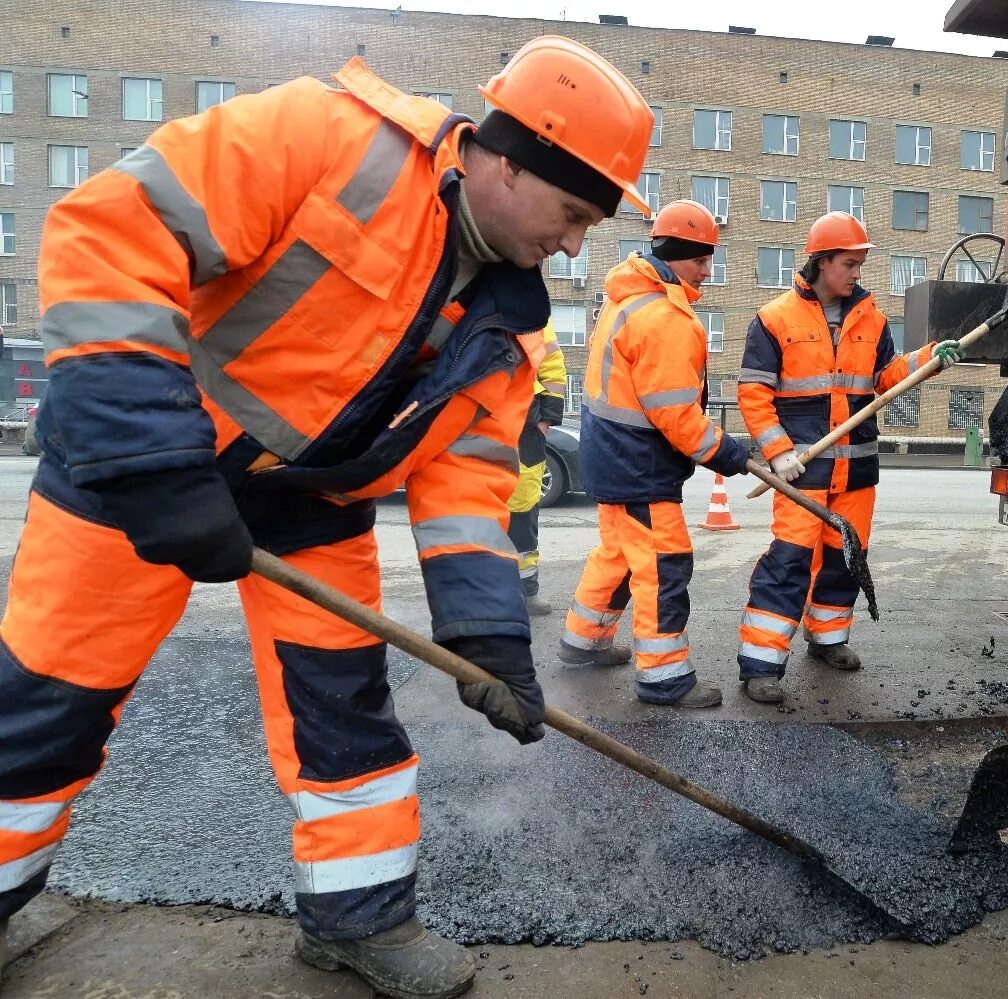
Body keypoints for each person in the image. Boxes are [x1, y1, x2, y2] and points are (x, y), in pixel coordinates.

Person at [0, 36, 654, 999]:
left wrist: (489, 640)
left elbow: (466, 488)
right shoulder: (328, 138)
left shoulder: (509, 331)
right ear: (513, 161)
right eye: (573, 216)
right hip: (136, 475)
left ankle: (360, 918)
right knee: (49, 703)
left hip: (309, 506)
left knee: (344, 718)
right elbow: (112, 229)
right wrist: (152, 457)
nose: (572, 247)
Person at [736, 211, 962, 704]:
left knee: (846, 558)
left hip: (856, 468)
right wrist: (778, 452)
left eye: (860, 264)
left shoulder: (872, 319)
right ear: (821, 262)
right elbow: (753, 392)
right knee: (790, 561)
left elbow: (886, 377)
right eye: (849, 263)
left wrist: (927, 359)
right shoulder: (775, 319)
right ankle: (761, 664)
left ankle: (828, 638)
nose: (857, 273)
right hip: (803, 469)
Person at [561, 200, 750, 708]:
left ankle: (583, 641)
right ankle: (664, 678)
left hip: (610, 459)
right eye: (701, 259)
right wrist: (729, 454)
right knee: (665, 565)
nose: (707, 270)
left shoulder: (627, 299)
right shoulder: (666, 317)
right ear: (675, 254)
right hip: (639, 466)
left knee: (619, 556)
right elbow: (676, 415)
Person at [507, 319, 567, 617]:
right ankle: (482, 595)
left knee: (523, 508)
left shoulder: (532, 315)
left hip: (524, 427)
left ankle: (526, 591)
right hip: (473, 423)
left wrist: (545, 423)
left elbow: (553, 368)